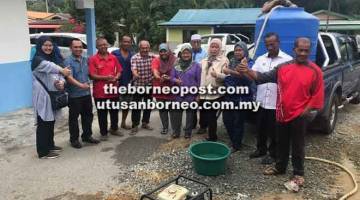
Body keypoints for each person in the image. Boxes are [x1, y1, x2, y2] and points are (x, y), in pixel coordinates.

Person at [238, 37, 324, 190]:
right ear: (294, 50)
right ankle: (280, 167)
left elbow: (317, 94)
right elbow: (263, 78)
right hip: (282, 113)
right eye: (300, 50)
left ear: (309, 51)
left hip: (300, 115)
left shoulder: (315, 71)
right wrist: (247, 71)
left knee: (298, 145)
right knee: (281, 142)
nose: (303, 53)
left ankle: (298, 172)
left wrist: (306, 110)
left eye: (306, 50)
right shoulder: (282, 67)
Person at [249, 33, 293, 164]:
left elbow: (290, 82)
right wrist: (244, 71)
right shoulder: (260, 59)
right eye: (267, 44)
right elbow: (254, 75)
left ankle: (273, 154)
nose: (269, 47)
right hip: (261, 101)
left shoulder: (287, 60)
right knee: (260, 128)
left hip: (276, 103)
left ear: (278, 42)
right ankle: (260, 149)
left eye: (272, 44)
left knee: (274, 131)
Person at [31, 36, 71, 159]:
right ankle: (43, 152)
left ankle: (50, 145)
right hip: (43, 96)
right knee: (43, 122)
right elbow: (51, 67)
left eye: (50, 45)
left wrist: (61, 82)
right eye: (45, 45)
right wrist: (62, 71)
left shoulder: (52, 58)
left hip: (52, 94)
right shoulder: (38, 60)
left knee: (50, 121)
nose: (48, 48)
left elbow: (57, 75)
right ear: (40, 46)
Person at [64, 38, 100, 149]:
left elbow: (90, 74)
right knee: (74, 119)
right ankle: (74, 139)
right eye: (75, 47)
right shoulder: (67, 61)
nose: (78, 49)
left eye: (80, 47)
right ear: (71, 48)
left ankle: (87, 136)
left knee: (88, 116)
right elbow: (69, 78)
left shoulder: (86, 59)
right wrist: (81, 86)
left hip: (86, 94)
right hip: (74, 95)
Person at [89, 37, 122, 141]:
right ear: (97, 47)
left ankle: (114, 129)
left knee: (114, 111)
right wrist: (106, 78)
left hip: (113, 90)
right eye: (100, 45)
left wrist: (117, 77)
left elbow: (119, 70)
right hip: (100, 92)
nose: (103, 46)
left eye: (105, 44)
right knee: (102, 113)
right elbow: (92, 75)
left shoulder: (113, 58)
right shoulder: (93, 59)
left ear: (108, 45)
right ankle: (103, 133)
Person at [222, 41, 254, 152]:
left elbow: (249, 80)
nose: (238, 52)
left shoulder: (249, 63)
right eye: (236, 50)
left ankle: (236, 145)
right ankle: (233, 140)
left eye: (240, 50)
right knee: (227, 119)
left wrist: (229, 72)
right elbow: (228, 78)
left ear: (245, 51)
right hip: (230, 96)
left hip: (243, 97)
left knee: (238, 122)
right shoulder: (232, 62)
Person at [199, 38, 229, 141]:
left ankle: (212, 137)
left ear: (220, 48)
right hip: (204, 93)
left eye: (216, 47)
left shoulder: (224, 60)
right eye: (212, 46)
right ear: (209, 48)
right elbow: (201, 77)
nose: (214, 49)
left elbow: (227, 77)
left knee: (211, 116)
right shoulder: (204, 60)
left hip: (216, 93)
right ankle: (206, 130)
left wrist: (217, 75)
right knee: (206, 114)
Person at [170, 44, 201, 139]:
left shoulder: (196, 65)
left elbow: (199, 81)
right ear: (181, 54)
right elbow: (171, 78)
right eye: (184, 53)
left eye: (188, 53)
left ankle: (188, 132)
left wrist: (198, 94)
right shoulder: (176, 65)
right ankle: (176, 132)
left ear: (191, 54)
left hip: (191, 94)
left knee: (190, 114)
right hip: (178, 94)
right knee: (176, 114)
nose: (186, 55)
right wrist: (176, 81)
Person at [130, 40, 155, 134]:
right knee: (136, 106)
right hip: (138, 85)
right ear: (139, 48)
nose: (145, 50)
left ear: (149, 48)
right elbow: (134, 69)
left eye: (146, 48)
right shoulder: (134, 58)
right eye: (143, 48)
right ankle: (135, 125)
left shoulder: (153, 57)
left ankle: (145, 122)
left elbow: (157, 67)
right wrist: (136, 74)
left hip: (149, 85)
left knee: (148, 105)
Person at [152, 43, 177, 135]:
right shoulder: (156, 60)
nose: (163, 53)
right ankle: (165, 127)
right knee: (162, 110)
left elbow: (177, 72)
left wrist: (169, 78)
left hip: (171, 88)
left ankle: (175, 128)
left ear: (168, 51)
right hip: (159, 88)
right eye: (161, 51)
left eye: (165, 51)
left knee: (172, 110)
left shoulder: (174, 60)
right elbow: (154, 71)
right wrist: (159, 77)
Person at [112, 35, 134, 130]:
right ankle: (114, 125)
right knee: (114, 106)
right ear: (121, 42)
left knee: (126, 105)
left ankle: (123, 122)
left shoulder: (132, 55)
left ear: (130, 43)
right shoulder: (114, 54)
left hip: (128, 83)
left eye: (128, 42)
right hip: (116, 83)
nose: (126, 43)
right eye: (125, 41)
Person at [190, 34, 207, 130]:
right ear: (191, 43)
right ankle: (192, 124)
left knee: (202, 105)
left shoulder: (205, 53)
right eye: (194, 42)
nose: (196, 44)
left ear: (200, 42)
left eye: (198, 42)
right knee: (192, 105)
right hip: (191, 82)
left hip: (201, 81)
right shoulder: (188, 52)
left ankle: (203, 126)